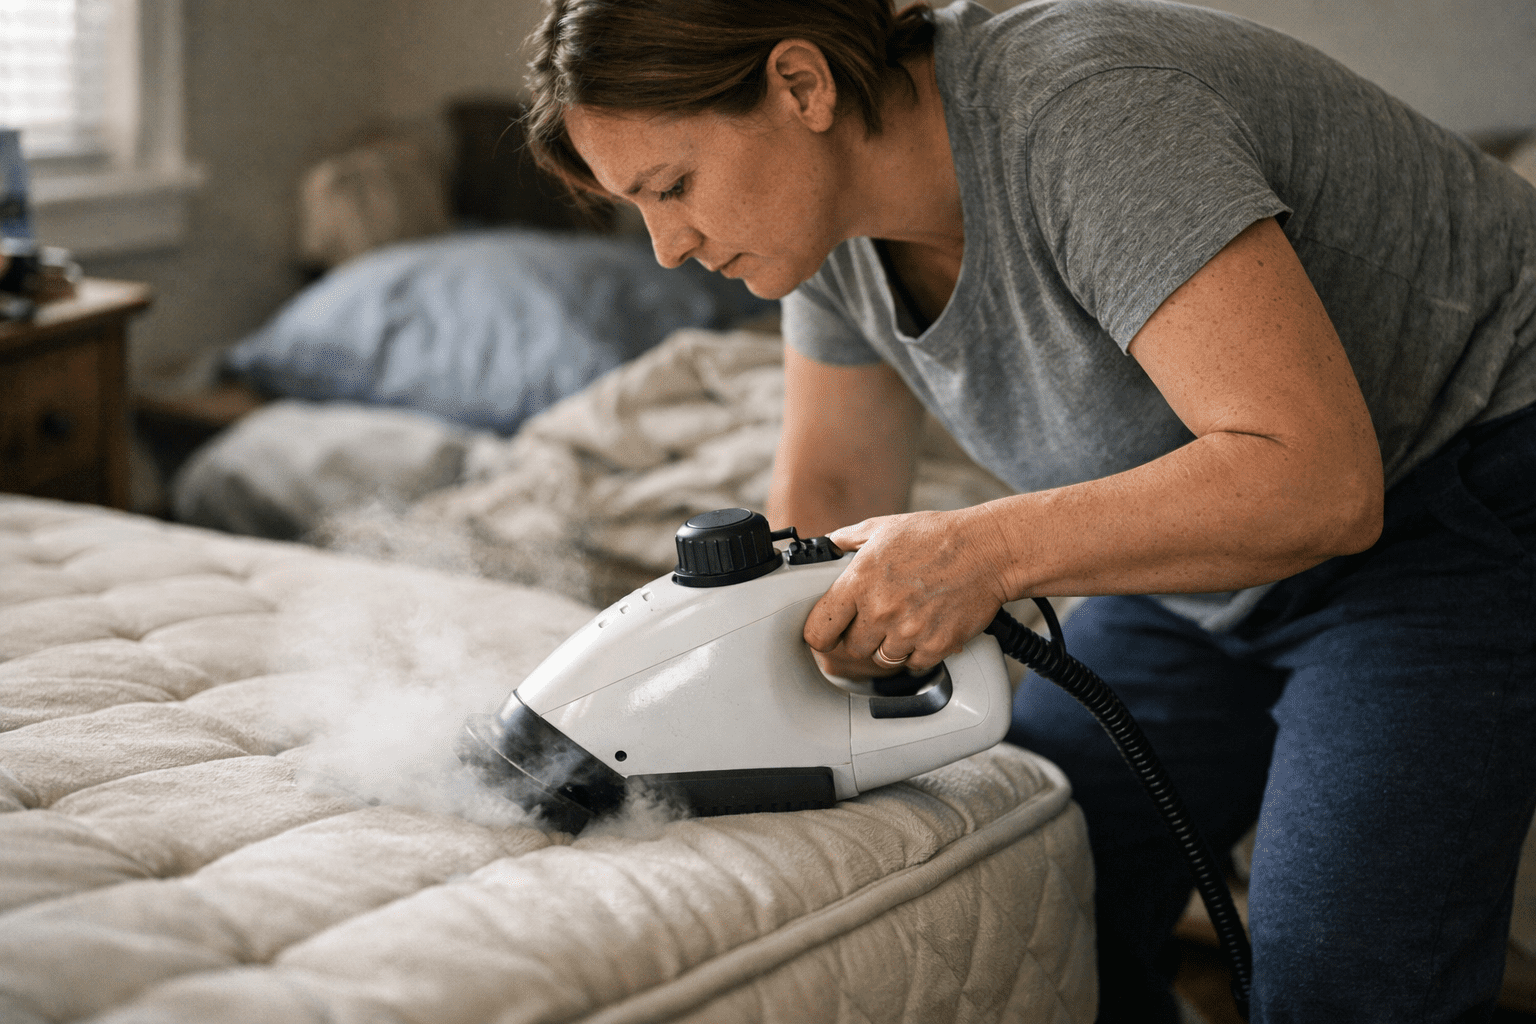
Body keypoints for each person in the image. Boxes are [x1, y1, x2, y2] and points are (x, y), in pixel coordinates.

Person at [522, 0, 1536, 1019]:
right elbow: (832, 502)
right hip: (1215, 551)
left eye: (674, 187)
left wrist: (987, 550)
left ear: (801, 85)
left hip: (1465, 493)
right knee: (1032, 863)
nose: (665, 247)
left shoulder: (1082, 113)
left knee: (1337, 970)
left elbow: (1317, 481)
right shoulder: (825, 234)